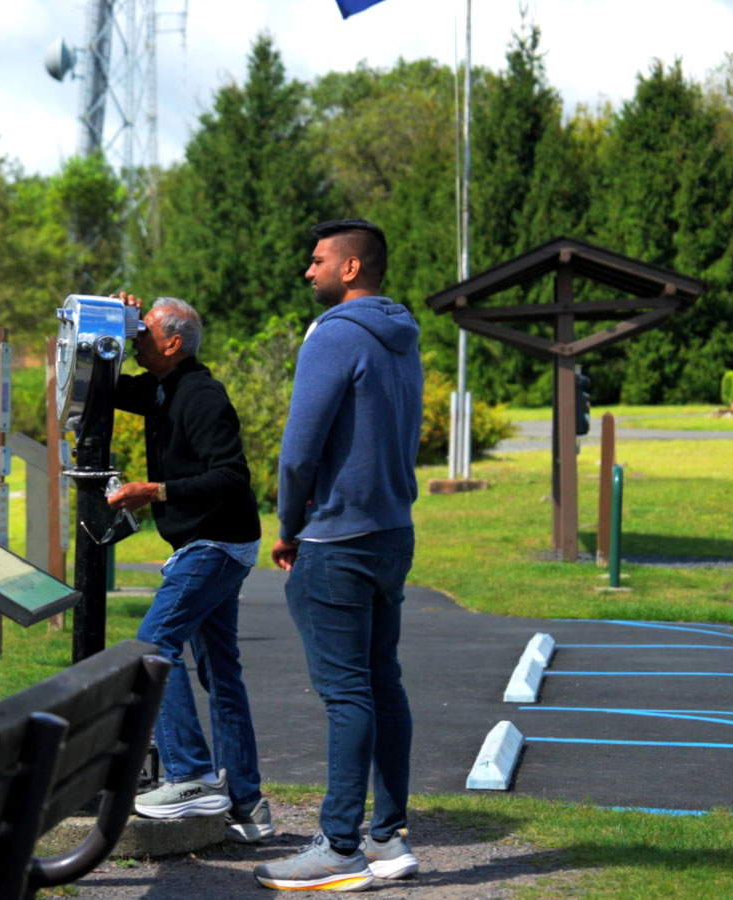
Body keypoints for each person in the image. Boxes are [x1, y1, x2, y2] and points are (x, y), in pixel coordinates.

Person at [254, 220, 424, 891]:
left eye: (318, 260)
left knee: (348, 691)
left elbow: (299, 449)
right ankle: (387, 838)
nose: (308, 271)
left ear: (351, 269)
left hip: (336, 538)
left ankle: (340, 847)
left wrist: (288, 523)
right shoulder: (403, 335)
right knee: (383, 681)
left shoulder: (333, 336)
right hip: (391, 533)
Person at [105, 293, 274, 843]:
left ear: (173, 343)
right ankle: (247, 806)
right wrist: (113, 315)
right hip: (214, 544)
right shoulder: (161, 388)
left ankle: (190, 776)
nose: (136, 340)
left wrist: (156, 490)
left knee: (153, 649)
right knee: (222, 675)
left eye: (145, 332)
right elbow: (94, 383)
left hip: (215, 545)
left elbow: (232, 475)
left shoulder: (200, 395)